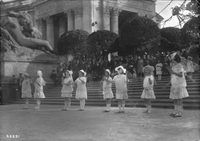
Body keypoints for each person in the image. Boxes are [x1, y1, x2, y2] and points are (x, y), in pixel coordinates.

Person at [164, 53, 189, 117]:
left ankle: (179, 112)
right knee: (174, 99)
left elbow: (181, 75)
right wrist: (168, 83)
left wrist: (173, 72)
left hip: (179, 84)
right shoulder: (173, 66)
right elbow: (173, 76)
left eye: (172, 59)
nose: (171, 60)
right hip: (174, 84)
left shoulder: (180, 65)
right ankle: (175, 111)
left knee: (179, 99)